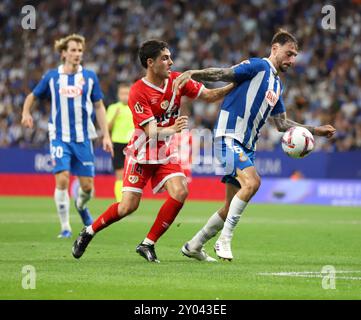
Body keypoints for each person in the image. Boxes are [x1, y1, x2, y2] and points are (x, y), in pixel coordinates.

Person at [172, 29, 336, 261]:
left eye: (295, 56)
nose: (292, 60)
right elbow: (226, 73)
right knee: (253, 182)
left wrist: (315, 130)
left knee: (230, 206)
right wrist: (194, 73)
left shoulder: (277, 86)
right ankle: (224, 240)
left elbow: (281, 124)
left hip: (247, 145)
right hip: (227, 136)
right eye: (289, 54)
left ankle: (194, 245)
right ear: (275, 48)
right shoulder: (258, 66)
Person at [72, 39, 234, 262]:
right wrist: (173, 128)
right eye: (165, 58)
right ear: (151, 63)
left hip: (165, 151)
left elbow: (210, 95)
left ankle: (148, 243)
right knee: (127, 206)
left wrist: (235, 84)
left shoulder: (178, 80)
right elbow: (149, 131)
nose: (171, 62)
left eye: (170, 57)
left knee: (180, 191)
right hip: (141, 152)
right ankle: (88, 231)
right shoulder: (138, 91)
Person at [21, 34, 113, 238]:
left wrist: (106, 135)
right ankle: (65, 227)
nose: (77, 54)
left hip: (83, 138)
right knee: (62, 179)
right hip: (60, 136)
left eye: (80, 50)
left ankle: (81, 205)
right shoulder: (52, 77)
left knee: (87, 187)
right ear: (63, 53)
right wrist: (26, 113)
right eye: (73, 50)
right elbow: (32, 96)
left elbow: (99, 106)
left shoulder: (90, 77)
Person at [106, 83, 134, 202]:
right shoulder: (113, 108)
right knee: (119, 174)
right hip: (117, 143)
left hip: (132, 144)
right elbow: (107, 127)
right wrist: (115, 116)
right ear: (118, 94)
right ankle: (120, 201)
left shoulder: (135, 107)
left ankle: (130, 201)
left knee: (131, 175)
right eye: (122, 93)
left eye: (127, 93)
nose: (124, 96)